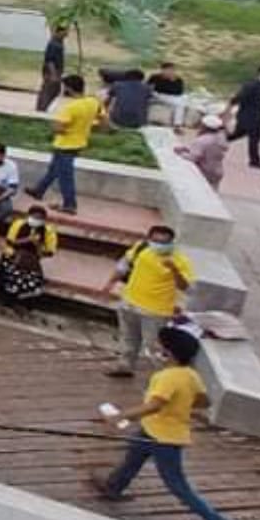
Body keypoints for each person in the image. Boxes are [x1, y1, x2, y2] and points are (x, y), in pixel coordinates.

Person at [94, 325, 240, 520]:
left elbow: (154, 405)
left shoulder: (167, 377)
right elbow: (204, 401)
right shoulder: (190, 375)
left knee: (178, 487)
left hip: (164, 439)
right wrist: (181, 403)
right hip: (153, 430)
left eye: (160, 345)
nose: (156, 347)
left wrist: (120, 416)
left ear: (169, 353)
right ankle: (114, 487)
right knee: (132, 458)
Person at [109, 224, 195, 378]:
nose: (159, 245)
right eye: (155, 241)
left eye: (164, 242)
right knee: (128, 337)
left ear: (172, 243)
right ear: (149, 239)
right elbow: (124, 264)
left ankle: (161, 378)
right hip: (130, 301)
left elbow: (185, 287)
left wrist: (174, 270)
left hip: (156, 311)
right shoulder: (141, 248)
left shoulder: (179, 260)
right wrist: (110, 283)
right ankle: (125, 366)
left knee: (154, 347)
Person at [30, 73, 100, 215]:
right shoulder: (93, 102)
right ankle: (39, 190)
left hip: (65, 145)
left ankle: (70, 204)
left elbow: (58, 127)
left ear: (68, 88)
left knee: (65, 176)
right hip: (79, 143)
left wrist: (58, 127)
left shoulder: (70, 107)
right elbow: (103, 120)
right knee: (54, 169)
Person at [227, 63, 260, 169]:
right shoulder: (251, 85)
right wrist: (231, 104)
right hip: (248, 116)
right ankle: (254, 161)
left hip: (257, 116)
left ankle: (217, 140)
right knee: (252, 138)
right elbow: (240, 96)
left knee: (240, 135)